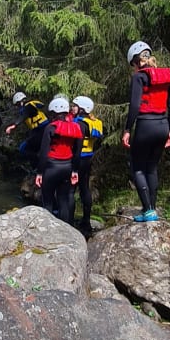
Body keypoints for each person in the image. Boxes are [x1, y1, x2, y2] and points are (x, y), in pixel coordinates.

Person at [122, 41, 170, 222]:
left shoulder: (139, 77)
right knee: (152, 167)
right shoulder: (164, 76)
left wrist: (127, 129)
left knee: (137, 168)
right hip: (162, 125)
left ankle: (148, 210)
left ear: (136, 61)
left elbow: (135, 106)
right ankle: (152, 209)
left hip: (146, 125)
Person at [35, 96, 83, 224]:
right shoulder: (77, 127)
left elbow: (44, 153)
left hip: (51, 167)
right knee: (63, 201)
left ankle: (48, 232)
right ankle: (66, 230)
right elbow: (77, 153)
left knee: (48, 202)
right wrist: (75, 171)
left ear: (54, 112)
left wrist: (39, 173)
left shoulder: (50, 128)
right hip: (67, 167)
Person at [72, 95, 103, 236]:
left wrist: (73, 168)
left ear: (82, 109)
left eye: (75, 106)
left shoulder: (80, 124)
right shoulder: (91, 122)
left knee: (70, 190)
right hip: (88, 158)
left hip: (78, 159)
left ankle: (68, 221)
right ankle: (86, 221)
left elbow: (77, 147)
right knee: (84, 188)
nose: (72, 108)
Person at [5, 92, 50, 169]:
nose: (17, 107)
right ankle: (39, 166)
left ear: (20, 102)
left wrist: (13, 126)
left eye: (17, 105)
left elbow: (24, 116)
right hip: (41, 130)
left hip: (41, 130)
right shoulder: (32, 105)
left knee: (23, 148)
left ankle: (38, 167)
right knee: (33, 149)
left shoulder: (28, 106)